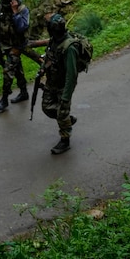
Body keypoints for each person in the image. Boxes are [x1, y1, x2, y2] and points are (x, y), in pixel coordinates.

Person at [37, 14, 79, 155]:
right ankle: (66, 119)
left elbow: (71, 75)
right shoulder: (53, 41)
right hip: (51, 82)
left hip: (62, 85)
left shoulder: (69, 47)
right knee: (47, 107)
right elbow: (49, 56)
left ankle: (65, 140)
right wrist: (43, 68)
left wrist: (66, 96)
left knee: (61, 112)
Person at [0, 0, 30, 112]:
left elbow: (21, 27)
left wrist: (15, 12)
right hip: (4, 43)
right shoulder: (2, 6)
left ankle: (4, 99)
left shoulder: (22, 10)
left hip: (17, 45)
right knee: (17, 69)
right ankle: (24, 92)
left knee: (8, 71)